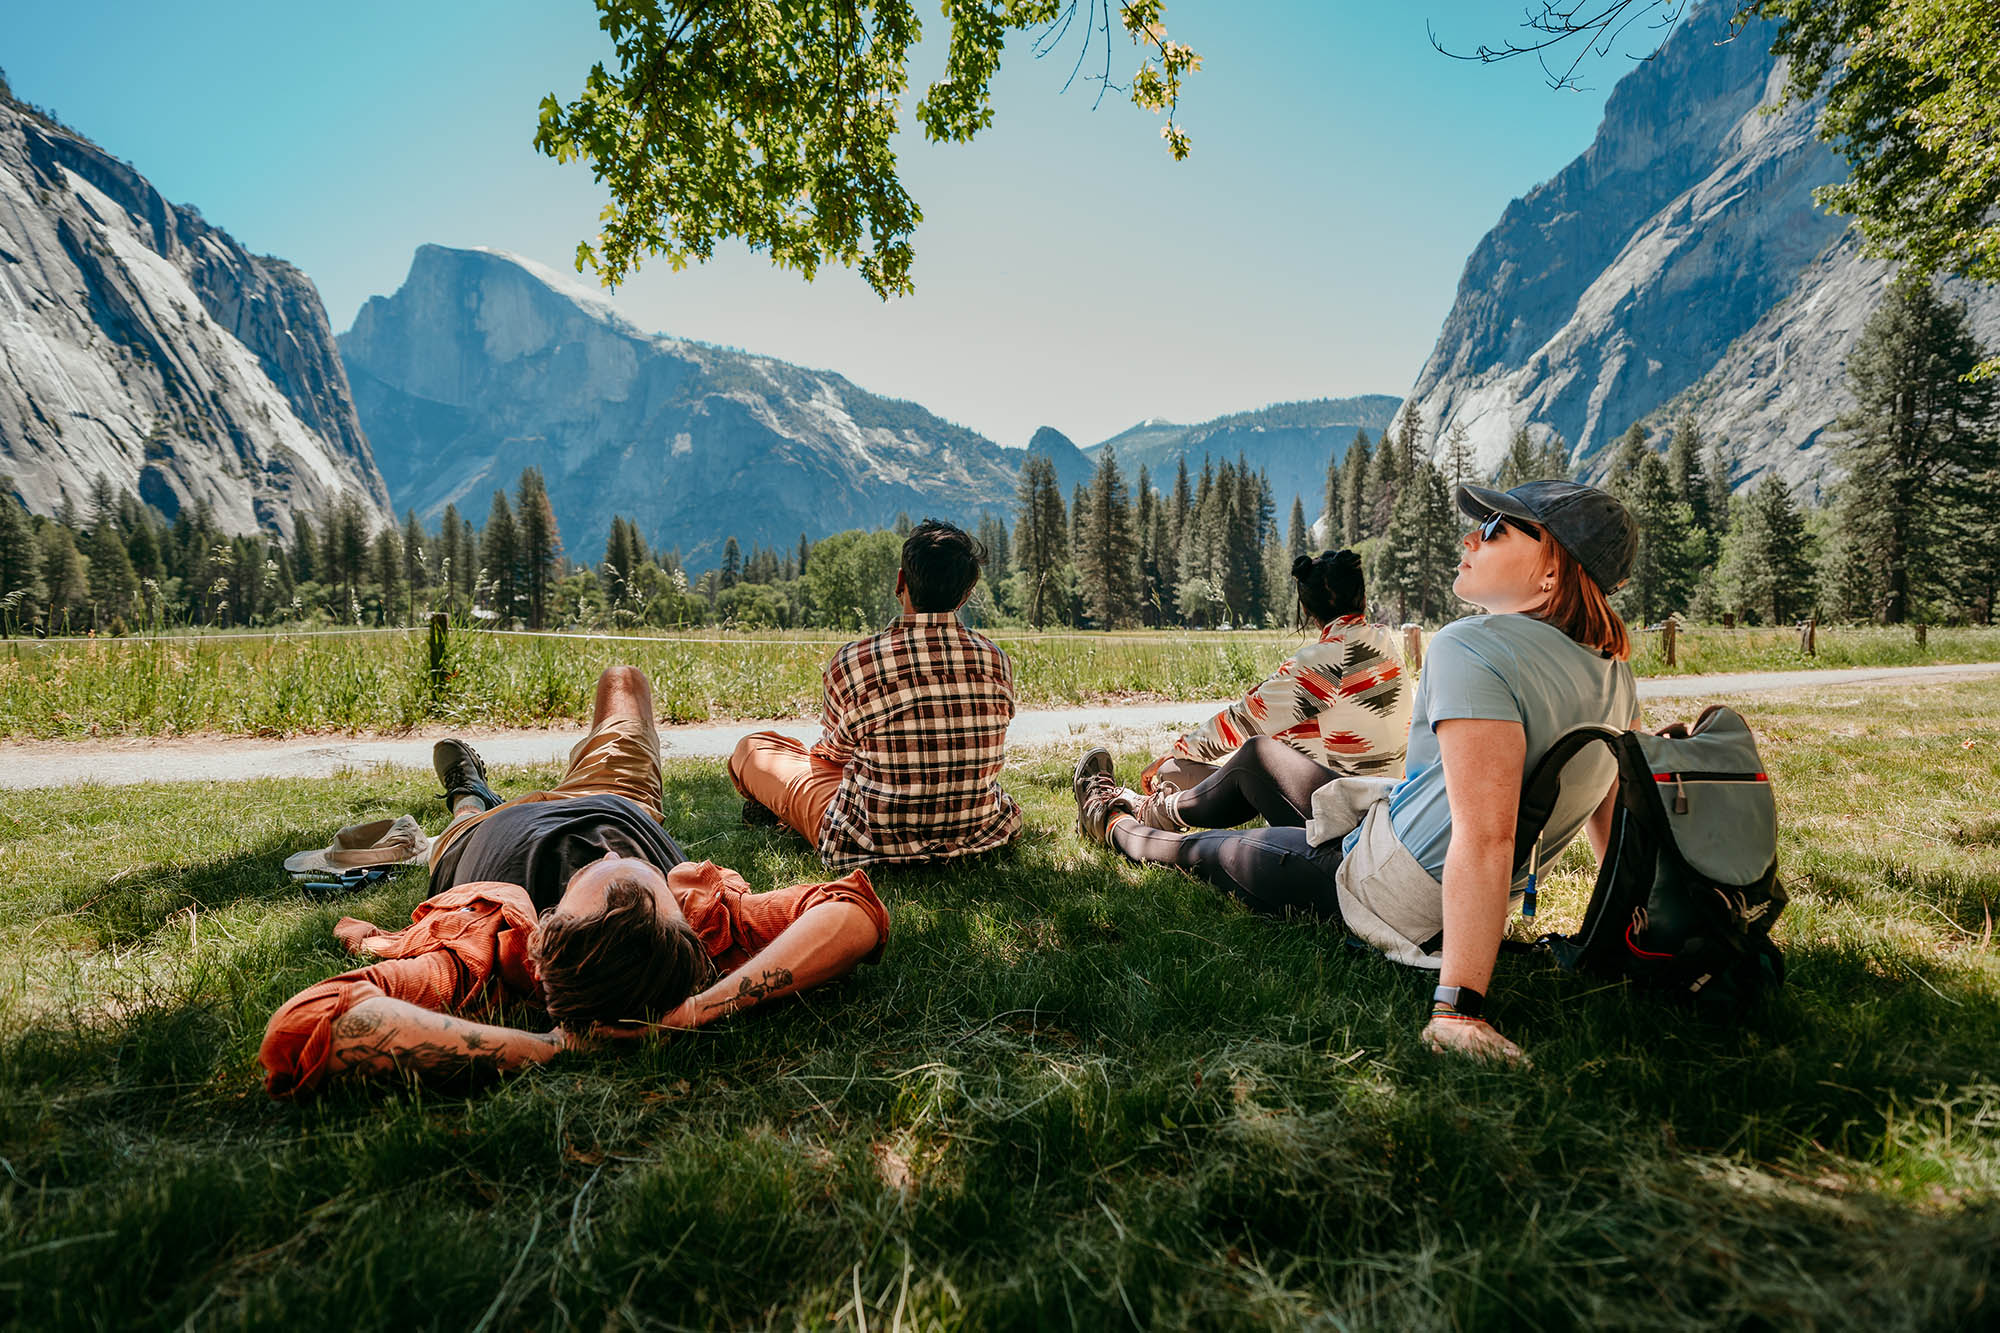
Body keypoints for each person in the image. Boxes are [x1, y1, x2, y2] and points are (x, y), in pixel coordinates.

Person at [1073, 480, 1642, 1066]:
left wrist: (1459, 1008)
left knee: (1200, 853)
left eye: (1497, 529)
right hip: (1407, 847)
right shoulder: (1613, 673)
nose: (1473, 536)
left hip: (1385, 887)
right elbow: (1613, 821)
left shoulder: (1474, 647)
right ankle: (1152, 806)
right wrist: (1622, 934)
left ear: (1553, 571)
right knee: (1258, 760)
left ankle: (1110, 817)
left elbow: (1487, 835)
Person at [257, 665, 890, 1096]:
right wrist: (699, 1010)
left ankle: (469, 793)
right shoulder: (698, 933)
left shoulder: (487, 950)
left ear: (548, 929)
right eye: (645, 884)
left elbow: (304, 1026)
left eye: (600, 879)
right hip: (616, 798)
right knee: (624, 681)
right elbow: (851, 908)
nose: (616, 862)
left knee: (466, 820)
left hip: (483, 837)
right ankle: (479, 794)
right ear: (685, 926)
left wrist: (553, 1048)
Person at [729, 519, 1021, 869]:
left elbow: (834, 753)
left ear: (901, 581)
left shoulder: (854, 661)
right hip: (974, 829)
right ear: (965, 595)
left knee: (755, 748)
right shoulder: (996, 660)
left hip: (869, 838)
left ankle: (774, 807)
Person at [1135, 548, 1410, 832]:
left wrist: (1176, 751)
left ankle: (1152, 813)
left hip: (1339, 818)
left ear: (1306, 609)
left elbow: (1242, 721)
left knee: (1176, 771)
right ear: (1363, 598)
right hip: (1385, 805)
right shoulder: (1383, 642)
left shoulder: (1324, 662)